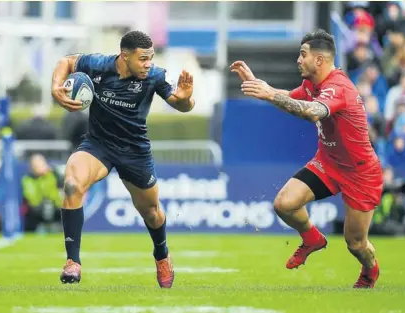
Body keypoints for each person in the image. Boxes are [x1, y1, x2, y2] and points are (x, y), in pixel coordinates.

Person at [230, 29, 382, 288]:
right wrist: (263, 87)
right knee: (284, 205)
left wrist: (270, 94)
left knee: (356, 244)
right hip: (328, 163)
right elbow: (291, 97)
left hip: (360, 173)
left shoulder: (338, 87)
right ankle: (312, 238)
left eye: (303, 55)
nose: (298, 60)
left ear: (319, 60)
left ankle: (370, 270)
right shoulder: (312, 84)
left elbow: (312, 112)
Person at [51, 30, 195, 288]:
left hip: (135, 150)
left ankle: (162, 255)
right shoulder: (98, 65)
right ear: (124, 56)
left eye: (150, 58)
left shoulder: (155, 77)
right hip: (98, 145)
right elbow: (65, 62)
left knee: (151, 213)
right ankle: (73, 262)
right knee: (72, 184)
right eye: (142, 59)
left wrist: (186, 100)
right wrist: (55, 88)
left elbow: (180, 103)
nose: (148, 64)